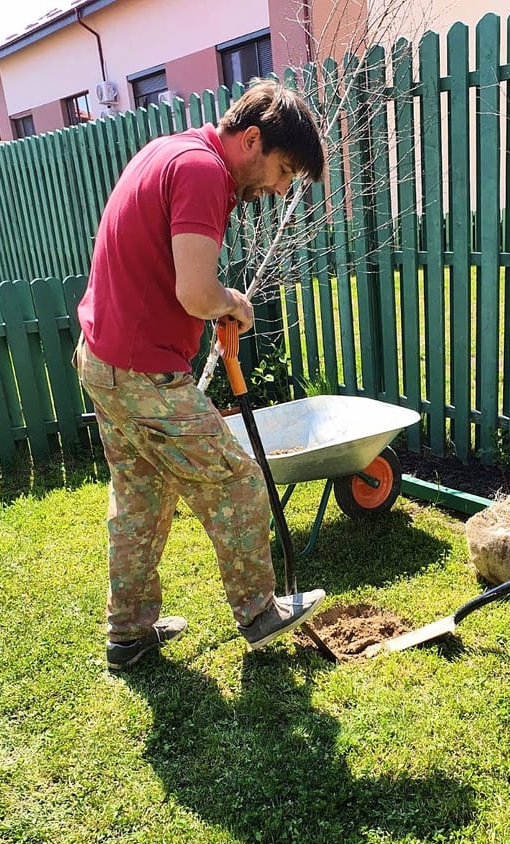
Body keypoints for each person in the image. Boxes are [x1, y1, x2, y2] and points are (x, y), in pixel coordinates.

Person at [75, 80, 327, 671]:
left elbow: (175, 281)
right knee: (237, 480)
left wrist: (216, 306)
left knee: (141, 495)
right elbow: (195, 291)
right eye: (283, 169)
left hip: (102, 361)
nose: (280, 187)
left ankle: (128, 632)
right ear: (252, 139)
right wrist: (230, 304)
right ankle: (259, 612)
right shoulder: (203, 171)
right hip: (140, 374)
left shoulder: (171, 151)